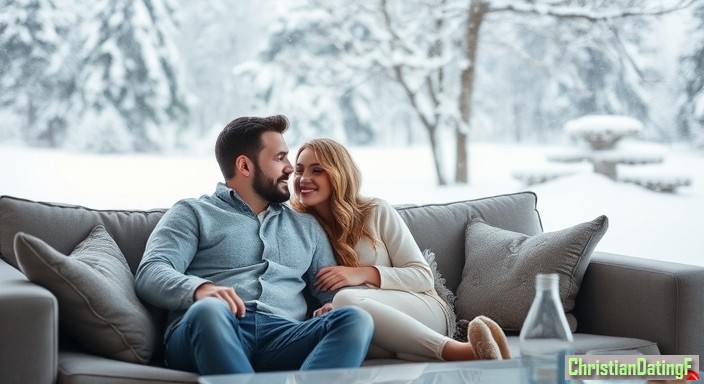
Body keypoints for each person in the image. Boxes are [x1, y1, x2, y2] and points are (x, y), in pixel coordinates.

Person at [135, 116, 374, 375]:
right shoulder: (192, 212)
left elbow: (330, 292)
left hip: (284, 336)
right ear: (244, 166)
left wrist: (332, 305)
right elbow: (151, 271)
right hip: (214, 328)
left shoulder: (306, 226)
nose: (290, 168)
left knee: (354, 319)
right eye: (280, 158)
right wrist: (200, 290)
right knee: (209, 310)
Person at [290, 138, 511, 362]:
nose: (303, 179)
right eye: (298, 171)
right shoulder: (299, 228)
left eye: (317, 170)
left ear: (339, 174)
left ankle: (458, 351)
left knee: (346, 301)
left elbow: (422, 276)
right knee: (343, 328)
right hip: (366, 320)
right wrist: (324, 311)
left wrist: (364, 273)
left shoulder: (375, 212)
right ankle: (411, 350)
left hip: (422, 309)